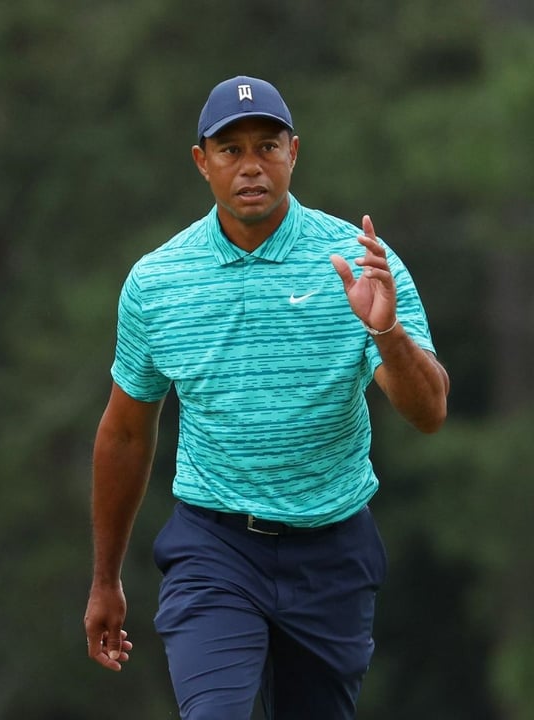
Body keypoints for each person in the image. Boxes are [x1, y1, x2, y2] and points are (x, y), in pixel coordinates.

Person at [82, 75, 449, 719]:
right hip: (214, 549)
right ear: (202, 162)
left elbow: (429, 411)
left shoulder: (360, 261)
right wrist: (105, 579)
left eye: (267, 146)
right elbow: (126, 433)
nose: (251, 166)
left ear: (294, 153)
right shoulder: (157, 281)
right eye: (230, 150)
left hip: (332, 550)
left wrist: (385, 332)